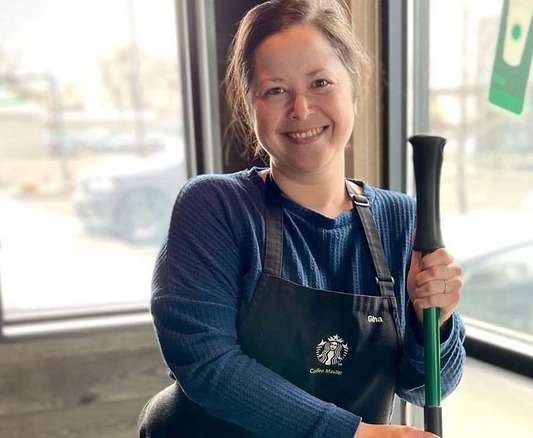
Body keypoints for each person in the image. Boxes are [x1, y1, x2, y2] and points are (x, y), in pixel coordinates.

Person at [138, 0, 466, 437]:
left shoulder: (401, 220)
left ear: (353, 90)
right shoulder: (215, 206)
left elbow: (425, 387)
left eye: (320, 82)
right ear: (250, 105)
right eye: (275, 90)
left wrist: (436, 322)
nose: (301, 108)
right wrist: (354, 435)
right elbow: (207, 365)